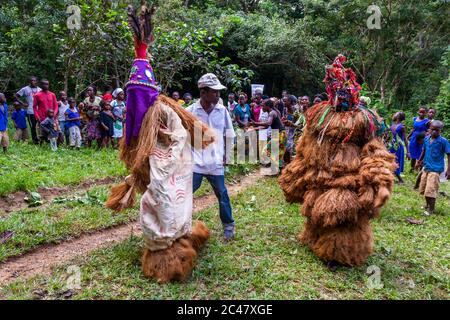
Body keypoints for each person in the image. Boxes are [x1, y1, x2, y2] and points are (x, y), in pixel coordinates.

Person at [106, 2, 212, 283]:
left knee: (167, 201)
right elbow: (135, 140)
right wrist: (141, 165)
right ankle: (163, 242)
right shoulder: (136, 113)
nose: (135, 102)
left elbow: (179, 138)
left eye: (140, 96)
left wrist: (159, 158)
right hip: (155, 165)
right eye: (133, 97)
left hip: (172, 165)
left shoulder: (165, 110)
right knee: (156, 204)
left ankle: (172, 245)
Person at [186, 73, 236, 241]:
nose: (218, 95)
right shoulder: (191, 111)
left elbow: (230, 134)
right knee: (186, 193)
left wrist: (227, 155)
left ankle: (229, 225)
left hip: (216, 162)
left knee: (222, 194)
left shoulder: (222, 111)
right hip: (196, 162)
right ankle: (181, 225)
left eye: (218, 92)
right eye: (215, 92)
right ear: (203, 92)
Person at [417, 120, 450, 215]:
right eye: (433, 129)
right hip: (426, 167)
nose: (434, 132)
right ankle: (427, 204)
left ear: (440, 131)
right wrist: (419, 161)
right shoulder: (426, 139)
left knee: (431, 189)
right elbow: (424, 150)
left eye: (437, 130)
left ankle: (431, 209)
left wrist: (448, 170)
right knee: (424, 188)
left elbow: (449, 154)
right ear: (429, 129)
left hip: (436, 169)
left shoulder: (443, 141)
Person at [251, 99, 286, 170]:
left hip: (280, 134)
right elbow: (266, 126)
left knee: (267, 150)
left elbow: (268, 123)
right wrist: (255, 128)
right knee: (275, 152)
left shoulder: (271, 113)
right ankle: (277, 169)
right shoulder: (272, 112)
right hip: (278, 133)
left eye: (263, 106)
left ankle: (277, 168)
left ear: (267, 106)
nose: (262, 107)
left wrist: (256, 123)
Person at [15, 76, 41, 144]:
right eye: (32, 81)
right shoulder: (25, 89)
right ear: (29, 81)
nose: (33, 82)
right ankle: (35, 141)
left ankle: (41, 139)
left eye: (35, 81)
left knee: (40, 126)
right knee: (32, 126)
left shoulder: (40, 90)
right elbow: (16, 96)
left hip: (39, 111)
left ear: (37, 81)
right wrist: (22, 103)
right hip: (30, 111)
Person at [408, 106, 430, 172]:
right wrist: (408, 136)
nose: (421, 113)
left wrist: (426, 135)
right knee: (413, 152)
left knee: (421, 153)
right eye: (420, 112)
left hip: (422, 138)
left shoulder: (427, 121)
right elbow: (413, 129)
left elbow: (429, 130)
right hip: (414, 137)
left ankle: (420, 169)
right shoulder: (415, 119)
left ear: (426, 113)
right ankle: (412, 168)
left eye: (423, 112)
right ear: (418, 112)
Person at [389, 112, 409, 184]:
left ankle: (400, 180)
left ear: (398, 117)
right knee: (390, 160)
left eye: (395, 114)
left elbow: (405, 139)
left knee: (396, 162)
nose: (394, 115)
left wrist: (408, 152)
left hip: (398, 147)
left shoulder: (401, 127)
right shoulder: (393, 125)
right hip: (391, 146)